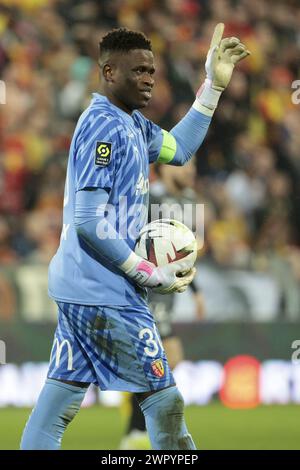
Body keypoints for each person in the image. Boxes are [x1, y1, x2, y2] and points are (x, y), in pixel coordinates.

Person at [20, 25, 249, 450]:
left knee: (57, 405)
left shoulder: (134, 125)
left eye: (153, 71)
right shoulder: (102, 126)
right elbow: (88, 221)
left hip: (81, 289)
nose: (149, 79)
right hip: (105, 291)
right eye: (138, 71)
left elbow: (179, 150)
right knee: (165, 402)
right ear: (109, 72)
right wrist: (144, 270)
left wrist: (213, 87)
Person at [120, 160, 206, 450]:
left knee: (161, 361)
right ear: (166, 169)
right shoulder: (149, 198)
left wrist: (196, 289)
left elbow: (185, 254)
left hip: (167, 292)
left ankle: (136, 429)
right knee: (164, 357)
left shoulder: (192, 201)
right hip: (147, 289)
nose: (190, 171)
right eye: (184, 166)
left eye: (193, 167)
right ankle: (137, 430)